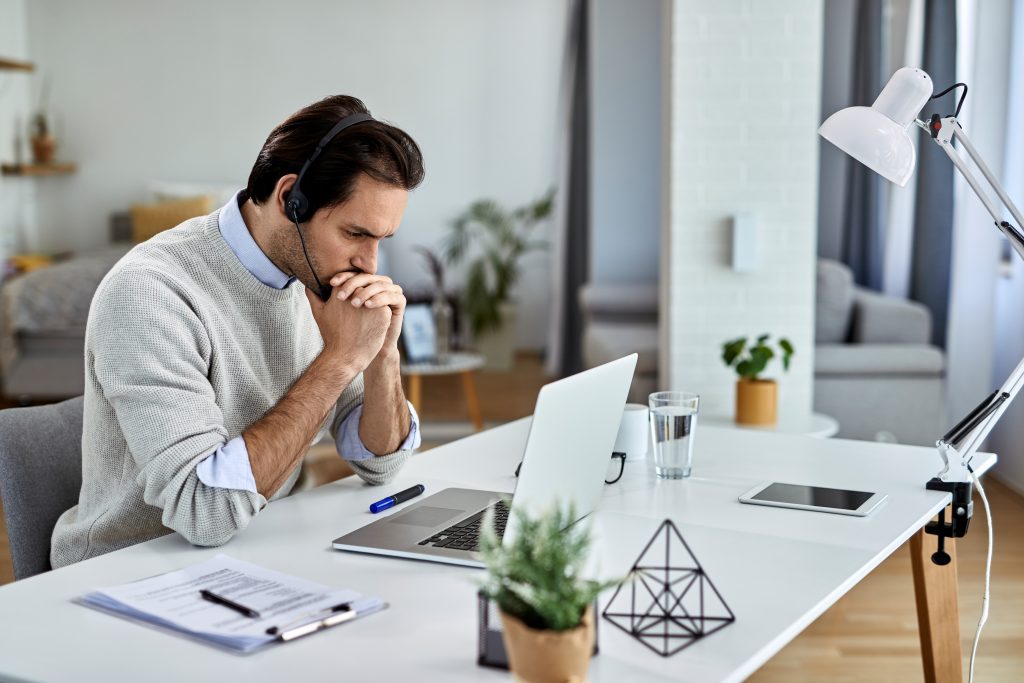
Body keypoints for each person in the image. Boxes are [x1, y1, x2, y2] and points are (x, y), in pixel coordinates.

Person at [51, 95, 425, 567]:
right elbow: (205, 513)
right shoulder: (150, 292)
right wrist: (341, 360)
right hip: (132, 569)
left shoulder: (316, 281)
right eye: (355, 234)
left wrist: (381, 354)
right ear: (291, 199)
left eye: (380, 240)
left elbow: (381, 462)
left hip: (259, 549)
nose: (370, 264)